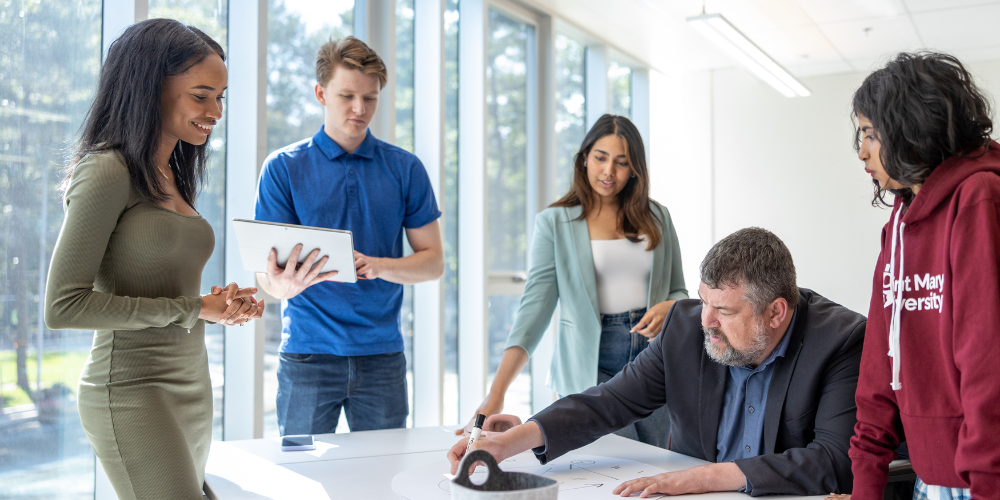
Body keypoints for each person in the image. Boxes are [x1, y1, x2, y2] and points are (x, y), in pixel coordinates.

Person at [448, 228, 867, 497]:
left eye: (723, 310)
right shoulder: (685, 328)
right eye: (703, 301)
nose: (706, 321)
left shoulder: (839, 341)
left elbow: (835, 459)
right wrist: (510, 442)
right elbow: (608, 402)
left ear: (776, 312)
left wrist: (705, 478)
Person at [43, 19, 263, 499]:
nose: (215, 112)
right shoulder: (106, 170)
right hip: (131, 391)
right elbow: (63, 306)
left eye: (221, 97)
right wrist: (192, 309)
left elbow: (167, 288)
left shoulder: (170, 175)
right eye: (201, 95)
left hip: (191, 387)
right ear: (150, 89)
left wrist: (216, 304)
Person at [457, 114, 687, 449]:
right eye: (600, 158)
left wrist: (671, 306)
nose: (609, 172)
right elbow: (533, 313)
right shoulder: (554, 222)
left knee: (663, 460)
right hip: (590, 365)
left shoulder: (657, 217)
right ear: (583, 158)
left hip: (652, 360)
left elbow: (679, 289)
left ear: (635, 168)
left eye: (622, 163)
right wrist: (497, 393)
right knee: (613, 462)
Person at [255, 36, 443, 435]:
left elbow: (433, 262)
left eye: (370, 98)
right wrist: (280, 284)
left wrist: (378, 266)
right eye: (347, 96)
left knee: (384, 480)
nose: (360, 109)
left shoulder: (405, 169)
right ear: (321, 93)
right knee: (299, 479)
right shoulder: (283, 168)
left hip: (382, 357)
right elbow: (266, 279)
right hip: (307, 353)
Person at [849, 52, 1000, 499]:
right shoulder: (897, 223)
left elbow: (987, 362)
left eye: (872, 135)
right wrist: (866, 486)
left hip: (982, 482)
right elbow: (877, 370)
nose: (862, 152)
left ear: (911, 125)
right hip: (929, 480)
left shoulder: (979, 197)